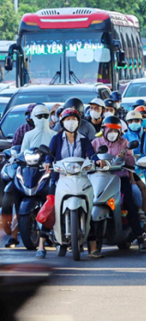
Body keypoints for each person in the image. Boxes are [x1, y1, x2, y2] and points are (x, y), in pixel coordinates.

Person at [38, 108, 98, 259]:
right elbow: (49, 155)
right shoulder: (56, 139)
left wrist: (98, 161)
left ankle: (93, 247)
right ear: (62, 122)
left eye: (74, 119)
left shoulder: (84, 139)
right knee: (51, 208)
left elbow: (92, 154)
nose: (71, 122)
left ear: (79, 122)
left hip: (81, 178)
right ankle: (41, 245)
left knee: (90, 206)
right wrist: (47, 163)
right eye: (67, 119)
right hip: (60, 178)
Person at [91, 116, 146, 255]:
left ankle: (140, 238)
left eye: (115, 130)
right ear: (104, 129)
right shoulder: (96, 142)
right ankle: (90, 242)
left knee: (129, 204)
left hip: (120, 179)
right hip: (100, 180)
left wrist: (132, 179)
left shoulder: (124, 143)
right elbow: (89, 159)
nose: (112, 133)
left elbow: (130, 165)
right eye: (110, 130)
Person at [123, 110, 146, 188]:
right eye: (130, 121)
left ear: (141, 121)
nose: (133, 123)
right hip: (131, 169)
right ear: (127, 123)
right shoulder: (125, 137)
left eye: (136, 120)